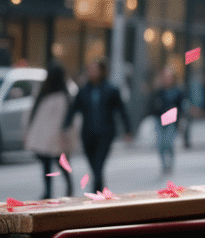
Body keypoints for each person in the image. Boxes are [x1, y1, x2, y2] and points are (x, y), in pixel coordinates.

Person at [62, 59, 132, 193]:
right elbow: (73, 109)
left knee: (98, 165)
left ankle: (96, 192)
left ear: (101, 71)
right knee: (94, 167)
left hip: (105, 134)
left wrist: (128, 131)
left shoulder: (111, 90)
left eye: (95, 70)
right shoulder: (83, 91)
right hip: (88, 134)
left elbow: (122, 111)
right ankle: (101, 190)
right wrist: (66, 126)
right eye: (90, 70)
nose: (92, 72)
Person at [24, 62, 74, 199]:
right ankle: (51, 190)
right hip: (50, 137)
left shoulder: (50, 93)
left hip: (52, 137)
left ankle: (58, 189)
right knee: (53, 164)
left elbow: (33, 115)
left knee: (56, 163)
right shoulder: (60, 94)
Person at [148, 66, 188, 176]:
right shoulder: (158, 91)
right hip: (159, 119)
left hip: (171, 119)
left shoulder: (178, 91)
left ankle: (170, 162)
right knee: (160, 143)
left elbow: (182, 106)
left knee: (169, 142)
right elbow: (151, 105)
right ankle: (164, 164)